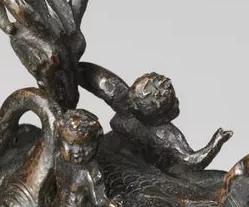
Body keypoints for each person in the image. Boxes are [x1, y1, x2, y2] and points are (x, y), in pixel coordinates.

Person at [78, 63, 232, 174]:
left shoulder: (162, 132)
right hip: (109, 154)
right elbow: (190, 160)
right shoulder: (163, 132)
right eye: (174, 102)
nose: (177, 102)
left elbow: (96, 79)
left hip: (137, 165)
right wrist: (216, 143)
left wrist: (215, 143)